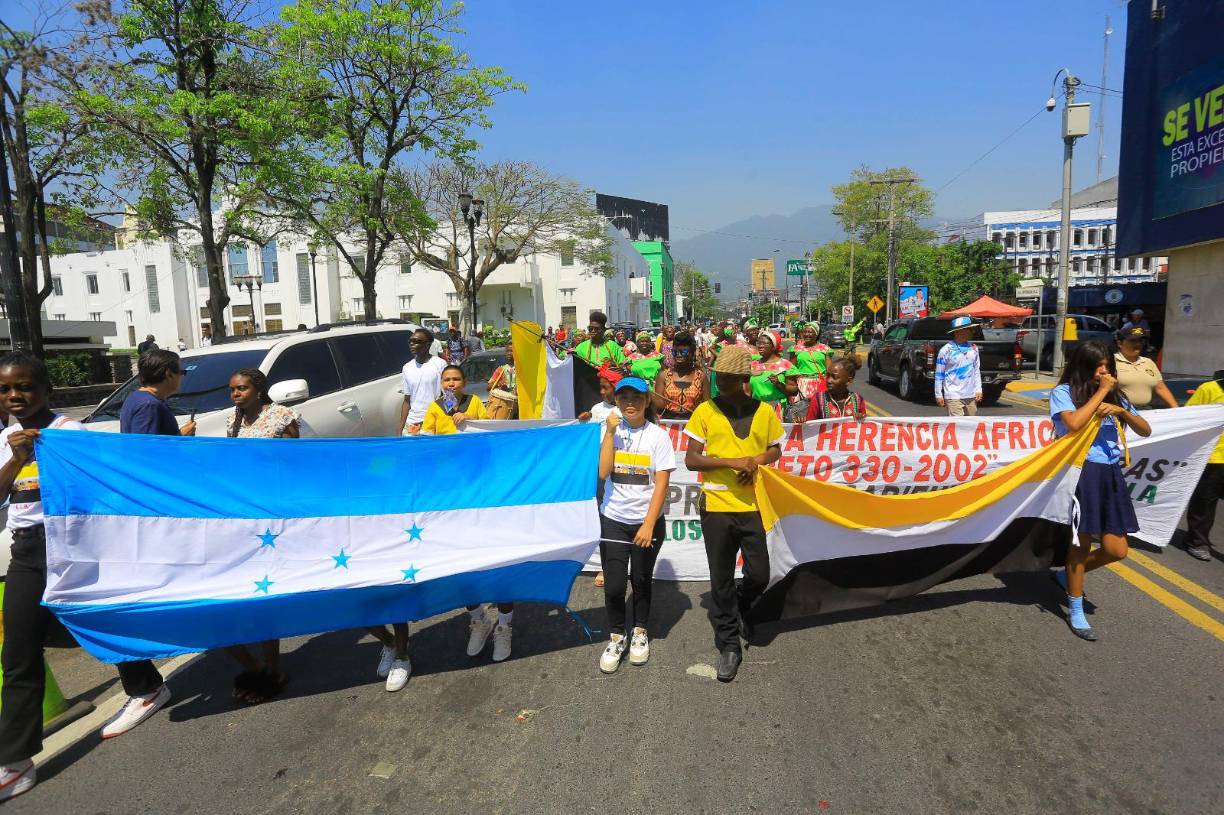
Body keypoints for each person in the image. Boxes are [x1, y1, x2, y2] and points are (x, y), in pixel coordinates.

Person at [0, 353, 87, 801]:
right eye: (6, 389)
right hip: (27, 552)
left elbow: (91, 492)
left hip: (68, 546)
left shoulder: (69, 433)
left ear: (46, 390)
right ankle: (15, 762)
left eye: (26, 387)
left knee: (98, 624)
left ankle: (146, 685)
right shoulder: (3, 439)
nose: (15, 396)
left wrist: (47, 457)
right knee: (18, 652)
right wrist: (15, 460)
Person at [105, 349, 195, 739]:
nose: (182, 378)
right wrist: (180, 442)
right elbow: (144, 459)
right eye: (181, 372)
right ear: (169, 373)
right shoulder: (146, 405)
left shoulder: (141, 401)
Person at [683, 346, 784, 682]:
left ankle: (739, 604)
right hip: (716, 507)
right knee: (721, 578)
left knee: (760, 574)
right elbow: (692, 459)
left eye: (724, 377)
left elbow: (776, 448)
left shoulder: (765, 412)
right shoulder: (705, 412)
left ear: (742, 380)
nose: (718, 381)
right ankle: (729, 645)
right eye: (717, 376)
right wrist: (732, 462)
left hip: (754, 505)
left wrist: (755, 461)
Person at [1048, 341, 1152, 641]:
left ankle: (1066, 576)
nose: (1104, 371)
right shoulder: (1064, 393)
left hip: (1110, 475)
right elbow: (1074, 425)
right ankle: (1076, 609)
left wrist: (1121, 409)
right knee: (1080, 545)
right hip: (1081, 474)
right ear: (1082, 366)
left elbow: (1145, 429)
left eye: (1107, 365)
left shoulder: (1116, 397)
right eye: (1098, 366)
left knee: (1116, 549)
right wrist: (1102, 393)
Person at [223, 369, 299, 704]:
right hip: (245, 514)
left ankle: (273, 669)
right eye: (232, 390)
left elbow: (298, 462)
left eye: (241, 389)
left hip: (275, 513)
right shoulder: (233, 422)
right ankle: (257, 669)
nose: (235, 394)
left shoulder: (281, 416)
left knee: (267, 590)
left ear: (258, 390)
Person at [596, 377, 676, 673]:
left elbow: (661, 485)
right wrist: (609, 433)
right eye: (624, 397)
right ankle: (617, 636)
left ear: (647, 402)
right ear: (616, 400)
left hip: (647, 524)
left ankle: (640, 631)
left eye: (637, 397)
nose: (630, 402)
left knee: (641, 581)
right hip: (613, 521)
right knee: (615, 586)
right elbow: (603, 473)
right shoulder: (610, 432)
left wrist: (648, 524)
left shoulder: (659, 436)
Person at [1184, 370, 1224, 561]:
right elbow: (1190, 418)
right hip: (1213, 458)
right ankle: (1197, 542)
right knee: (1204, 504)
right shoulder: (1209, 389)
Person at [1114, 327, 1178, 410]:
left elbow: (1160, 388)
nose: (1138, 344)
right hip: (1120, 412)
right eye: (1132, 341)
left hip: (1146, 411)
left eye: (1140, 341)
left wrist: (1176, 408)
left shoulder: (1148, 362)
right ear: (1120, 343)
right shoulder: (1112, 362)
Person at [399, 328, 447, 436]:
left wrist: (452, 416)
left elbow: (448, 395)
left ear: (428, 345)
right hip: (412, 423)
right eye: (410, 341)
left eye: (417, 341)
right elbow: (407, 401)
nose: (412, 344)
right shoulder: (407, 368)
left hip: (434, 421)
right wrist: (400, 430)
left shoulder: (440, 364)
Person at [654, 330, 708, 420]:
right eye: (675, 352)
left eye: (683, 352)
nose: (678, 355)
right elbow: (659, 408)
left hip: (693, 426)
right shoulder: (663, 376)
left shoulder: (701, 377)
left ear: (692, 352)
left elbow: (706, 407)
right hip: (669, 425)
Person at [935, 316, 983, 416]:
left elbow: (976, 370)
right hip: (953, 395)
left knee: (971, 426)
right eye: (968, 329)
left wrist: (979, 389)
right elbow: (939, 374)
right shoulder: (945, 350)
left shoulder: (973, 349)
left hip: (970, 395)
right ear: (957, 332)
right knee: (957, 426)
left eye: (970, 329)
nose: (970, 332)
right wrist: (938, 394)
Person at [789, 322, 833, 419]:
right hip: (801, 385)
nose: (807, 334)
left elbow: (829, 370)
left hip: (820, 384)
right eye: (805, 332)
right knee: (801, 413)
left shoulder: (824, 349)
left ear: (816, 333)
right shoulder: (796, 349)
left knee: (820, 413)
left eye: (810, 332)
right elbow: (791, 371)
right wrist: (791, 388)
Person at [750, 330, 798, 415]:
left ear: (773, 347)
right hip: (755, 408)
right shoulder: (753, 365)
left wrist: (779, 384)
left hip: (777, 409)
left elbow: (794, 390)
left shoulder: (785, 365)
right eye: (759, 343)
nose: (760, 346)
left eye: (764, 343)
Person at [806, 357, 868, 421]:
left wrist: (860, 418)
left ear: (848, 381)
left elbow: (864, 426)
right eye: (828, 376)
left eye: (834, 377)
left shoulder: (858, 400)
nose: (829, 381)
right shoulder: (818, 399)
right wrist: (801, 422)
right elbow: (809, 425)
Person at [486, 341, 518, 419]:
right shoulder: (501, 369)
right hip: (505, 406)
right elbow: (488, 387)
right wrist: (498, 384)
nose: (509, 353)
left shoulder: (522, 370)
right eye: (507, 351)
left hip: (520, 408)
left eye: (512, 351)